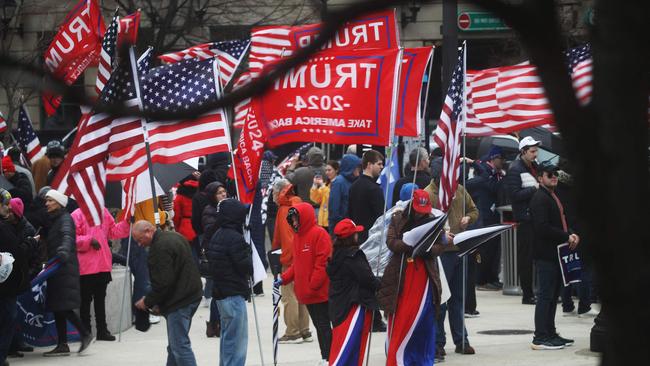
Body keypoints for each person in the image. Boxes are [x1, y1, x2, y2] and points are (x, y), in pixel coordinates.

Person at [377, 189, 447, 366]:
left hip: (425, 273)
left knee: (424, 320)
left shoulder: (434, 219)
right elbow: (391, 242)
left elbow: (441, 244)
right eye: (418, 210)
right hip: (401, 273)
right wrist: (409, 245)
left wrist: (428, 249)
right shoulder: (398, 218)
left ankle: (422, 359)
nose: (421, 215)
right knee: (402, 318)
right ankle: (399, 359)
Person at [425, 157, 479, 357]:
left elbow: (474, 210)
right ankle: (438, 342)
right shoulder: (427, 194)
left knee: (458, 299)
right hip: (441, 254)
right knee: (441, 300)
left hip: (460, 249)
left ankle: (461, 340)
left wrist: (468, 218)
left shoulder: (459, 189)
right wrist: (441, 236)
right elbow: (424, 225)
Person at [133, 220, 203, 366]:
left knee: (179, 346)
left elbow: (163, 283)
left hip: (180, 301)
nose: (140, 244)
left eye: (140, 240)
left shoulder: (159, 248)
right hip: (191, 295)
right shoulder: (174, 236)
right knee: (175, 345)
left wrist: (147, 302)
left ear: (148, 231)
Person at [529, 162, 580, 350]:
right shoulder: (539, 198)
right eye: (549, 174)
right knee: (545, 295)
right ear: (540, 177)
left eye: (555, 174)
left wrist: (571, 234)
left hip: (557, 252)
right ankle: (540, 336)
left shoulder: (551, 196)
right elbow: (542, 228)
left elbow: (562, 222)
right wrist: (566, 236)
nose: (554, 177)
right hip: (546, 254)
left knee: (552, 295)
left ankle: (550, 333)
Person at [278, 203, 333, 365]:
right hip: (307, 293)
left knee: (323, 326)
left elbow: (322, 263)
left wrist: (313, 285)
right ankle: (326, 356)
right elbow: (297, 264)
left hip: (318, 292)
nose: (294, 223)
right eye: (293, 220)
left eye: (296, 220)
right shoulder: (298, 237)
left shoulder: (319, 234)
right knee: (318, 326)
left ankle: (329, 357)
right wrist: (284, 278)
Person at [42, 189, 92, 356]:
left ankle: (84, 334)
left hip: (63, 267)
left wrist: (63, 251)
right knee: (58, 307)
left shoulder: (65, 219)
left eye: (50, 200)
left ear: (59, 203)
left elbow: (67, 237)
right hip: (58, 268)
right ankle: (63, 344)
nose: (46, 203)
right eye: (46, 200)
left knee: (64, 307)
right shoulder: (55, 220)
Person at [71, 207, 130, 341]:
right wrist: (89, 240)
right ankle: (86, 332)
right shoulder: (77, 214)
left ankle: (102, 330)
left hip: (102, 263)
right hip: (85, 266)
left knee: (100, 300)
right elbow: (72, 238)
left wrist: (126, 222)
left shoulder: (103, 212)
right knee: (85, 302)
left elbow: (113, 231)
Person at [327, 219, 379, 366]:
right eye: (355, 233)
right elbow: (367, 278)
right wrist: (382, 284)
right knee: (346, 352)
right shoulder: (353, 256)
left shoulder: (335, 255)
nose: (357, 235)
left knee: (343, 350)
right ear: (351, 237)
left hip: (338, 308)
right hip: (352, 308)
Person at [207, 198, 252, 366]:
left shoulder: (217, 234)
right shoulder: (234, 237)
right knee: (237, 343)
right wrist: (247, 251)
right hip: (233, 294)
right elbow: (245, 266)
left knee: (228, 339)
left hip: (221, 294)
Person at [271, 179, 312, 344]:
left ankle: (293, 332)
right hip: (303, 256)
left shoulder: (284, 209)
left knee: (289, 296)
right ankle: (305, 330)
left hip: (290, 258)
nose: (273, 196)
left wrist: (280, 257)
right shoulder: (298, 204)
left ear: (280, 192)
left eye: (274, 192)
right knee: (301, 294)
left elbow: (283, 237)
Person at [504, 136, 541, 305]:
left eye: (536, 151)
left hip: (537, 218)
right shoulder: (515, 170)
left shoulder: (535, 166)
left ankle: (536, 290)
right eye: (532, 151)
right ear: (523, 152)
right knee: (526, 258)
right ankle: (527, 294)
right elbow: (514, 196)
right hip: (525, 219)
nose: (535, 154)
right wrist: (534, 189)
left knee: (537, 257)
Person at [466, 146, 506, 291]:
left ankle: (492, 277)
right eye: (501, 159)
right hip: (484, 215)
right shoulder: (483, 171)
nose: (503, 162)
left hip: (494, 214)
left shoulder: (497, 173)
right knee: (486, 250)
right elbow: (492, 187)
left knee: (495, 250)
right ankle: (482, 279)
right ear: (493, 158)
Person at [0, 190, 28, 366]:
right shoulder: (3, 227)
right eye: (4, 205)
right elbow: (17, 251)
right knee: (7, 319)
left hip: (7, 284)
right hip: (5, 286)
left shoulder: (6, 225)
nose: (8, 209)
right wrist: (30, 244)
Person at [201, 181, 227, 337]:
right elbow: (210, 230)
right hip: (215, 254)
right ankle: (214, 324)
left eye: (224, 191)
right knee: (218, 289)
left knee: (221, 290)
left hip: (225, 252)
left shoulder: (226, 207)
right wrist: (223, 217)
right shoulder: (209, 210)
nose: (223, 194)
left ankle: (214, 324)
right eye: (219, 193)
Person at [348, 149, 384, 244]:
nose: (382, 167)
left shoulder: (353, 185)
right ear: (369, 165)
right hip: (371, 238)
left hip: (356, 236)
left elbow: (349, 213)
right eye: (379, 164)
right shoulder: (374, 189)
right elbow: (380, 217)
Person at [328, 154, 361, 232]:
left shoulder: (354, 181)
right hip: (340, 227)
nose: (359, 170)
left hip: (350, 225)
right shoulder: (338, 182)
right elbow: (334, 208)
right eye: (357, 167)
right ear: (350, 168)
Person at [310, 160, 339, 230]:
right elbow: (316, 199)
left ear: (336, 170)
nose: (327, 172)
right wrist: (314, 185)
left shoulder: (338, 183)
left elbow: (331, 196)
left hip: (331, 220)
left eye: (329, 170)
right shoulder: (327, 184)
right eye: (326, 170)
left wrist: (322, 185)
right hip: (322, 221)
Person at [173, 178, 199, 247]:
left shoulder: (180, 196)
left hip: (185, 227)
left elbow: (176, 215)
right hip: (199, 226)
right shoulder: (200, 194)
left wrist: (177, 227)